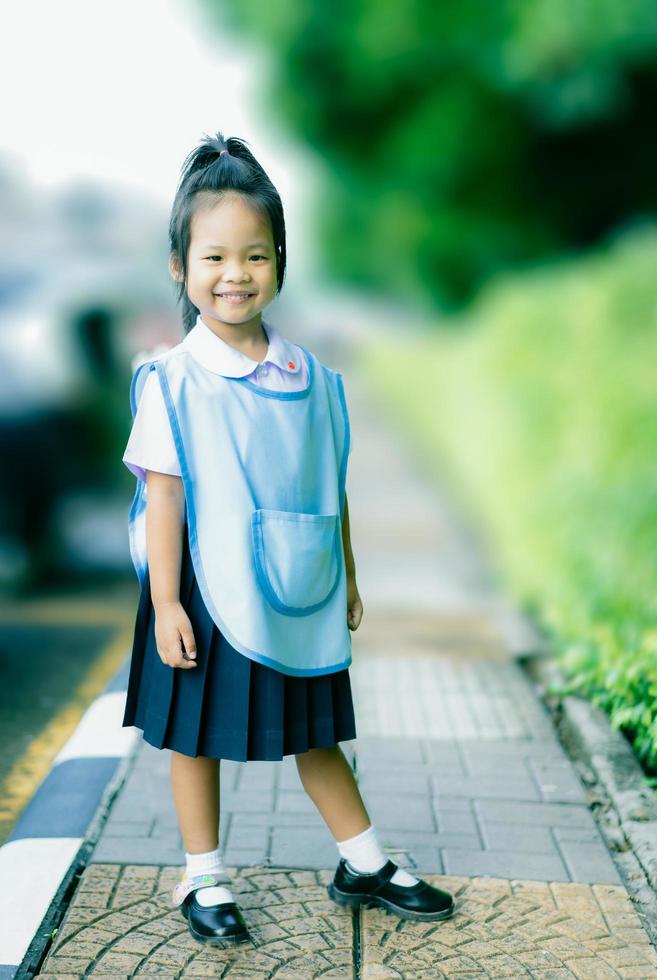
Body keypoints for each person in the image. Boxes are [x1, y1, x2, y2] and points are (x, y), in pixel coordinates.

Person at [121, 131, 455, 947]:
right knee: (194, 739)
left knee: (315, 731)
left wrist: (345, 574)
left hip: (296, 583)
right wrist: (165, 602)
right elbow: (163, 499)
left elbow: (326, 487)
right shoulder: (174, 381)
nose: (235, 274)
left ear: (279, 260)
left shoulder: (312, 377)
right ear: (180, 267)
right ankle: (202, 878)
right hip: (202, 585)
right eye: (213, 258)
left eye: (255, 255)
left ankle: (363, 859)